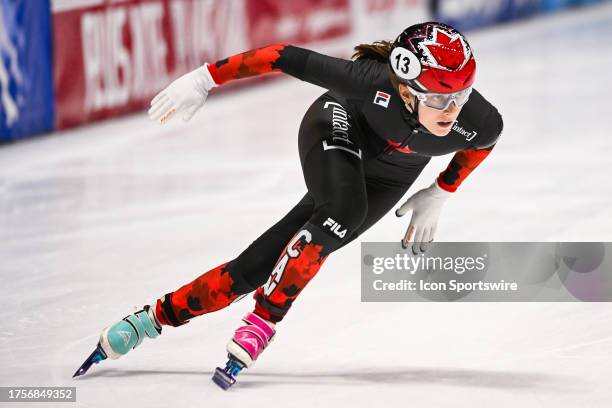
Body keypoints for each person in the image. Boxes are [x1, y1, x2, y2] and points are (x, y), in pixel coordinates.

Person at [88, 22, 503, 386]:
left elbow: (484, 143)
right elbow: (282, 56)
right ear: (404, 89)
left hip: (393, 173)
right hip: (338, 123)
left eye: (461, 96)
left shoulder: (479, 119)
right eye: (438, 99)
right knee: (344, 212)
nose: (451, 110)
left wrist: (443, 190)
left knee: (255, 268)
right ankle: (264, 321)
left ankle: (150, 319)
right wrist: (204, 79)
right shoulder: (369, 81)